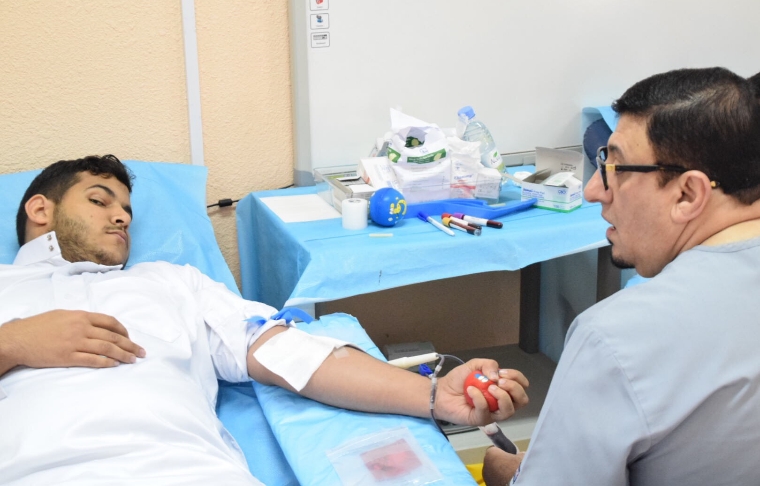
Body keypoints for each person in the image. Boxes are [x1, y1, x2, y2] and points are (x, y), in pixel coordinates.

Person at [0, 155, 530, 485]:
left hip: (183, 471)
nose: (120, 216)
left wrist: (435, 396)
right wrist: (13, 343)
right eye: (99, 200)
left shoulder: (169, 281)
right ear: (40, 210)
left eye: (127, 211)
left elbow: (288, 354)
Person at [483, 67, 760, 485]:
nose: (593, 190)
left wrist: (512, 474)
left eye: (616, 167)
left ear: (687, 194)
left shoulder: (616, 338)